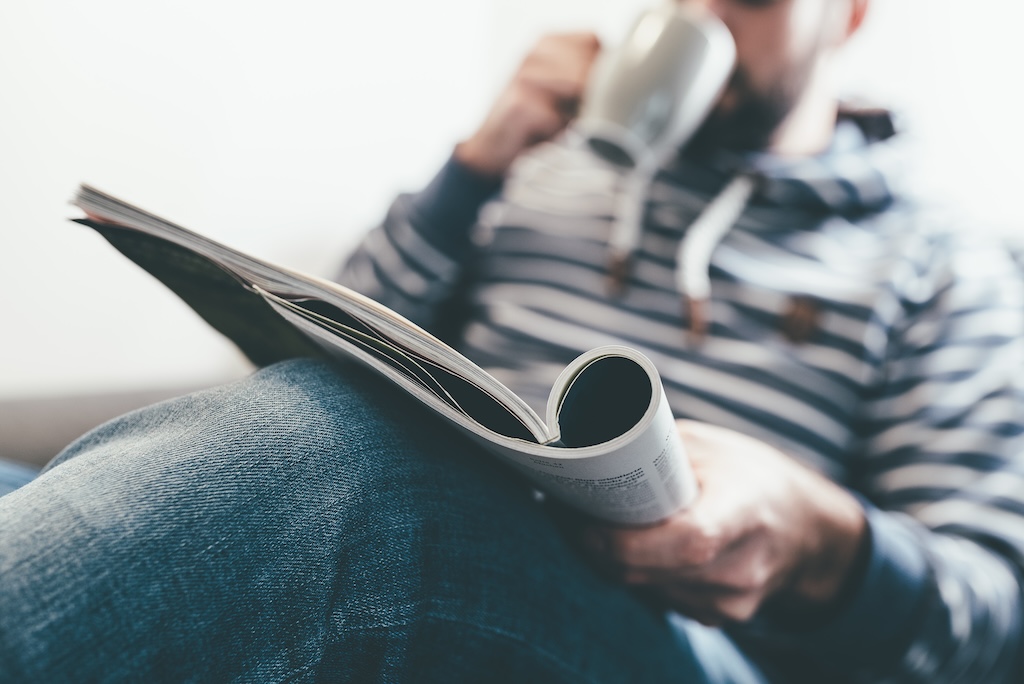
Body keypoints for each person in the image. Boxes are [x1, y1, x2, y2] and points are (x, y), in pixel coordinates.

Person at [2, 0, 1023, 681]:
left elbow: (991, 613)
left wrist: (820, 539)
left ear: (844, 15)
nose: (703, 18)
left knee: (349, 458)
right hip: (452, 597)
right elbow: (314, 345)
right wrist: (478, 163)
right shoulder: (542, 173)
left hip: (688, 645)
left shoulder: (937, 262)